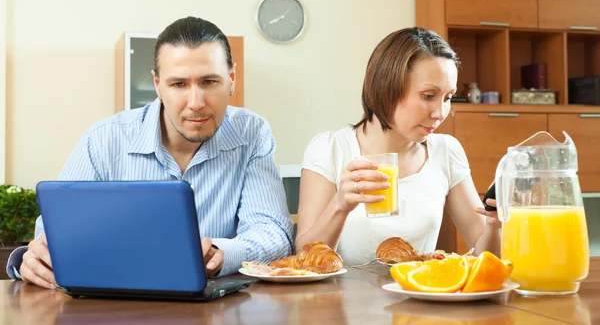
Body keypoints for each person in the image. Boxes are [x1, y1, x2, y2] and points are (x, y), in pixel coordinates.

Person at [6, 16, 294, 288]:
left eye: (209, 82)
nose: (196, 102)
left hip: (216, 308)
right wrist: (31, 259)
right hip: (115, 307)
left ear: (232, 79)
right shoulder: (105, 139)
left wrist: (221, 252)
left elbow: (273, 233)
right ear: (158, 85)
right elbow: (52, 238)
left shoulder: (252, 132)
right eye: (179, 84)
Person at [295, 27, 500, 266]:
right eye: (428, 96)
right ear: (386, 88)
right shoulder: (330, 149)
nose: (440, 113)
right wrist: (339, 206)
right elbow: (304, 259)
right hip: (343, 301)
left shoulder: (446, 151)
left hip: (422, 297)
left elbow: (486, 259)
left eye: (448, 97)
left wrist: (495, 227)